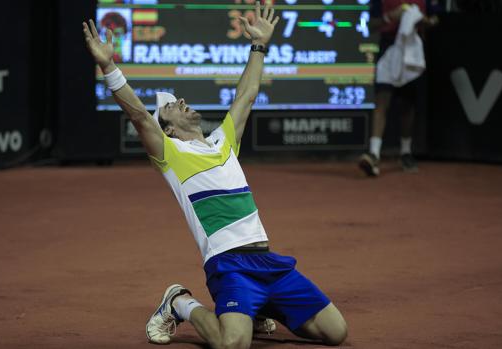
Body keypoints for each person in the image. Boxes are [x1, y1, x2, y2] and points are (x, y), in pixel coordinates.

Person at [82, 2, 347, 348]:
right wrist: (109, 65)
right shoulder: (171, 155)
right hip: (230, 266)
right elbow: (139, 117)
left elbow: (247, 95)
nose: (181, 102)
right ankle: (180, 302)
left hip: (268, 260)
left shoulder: (224, 141)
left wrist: (259, 45)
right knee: (231, 344)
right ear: (169, 131)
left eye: (177, 99)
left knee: (336, 333)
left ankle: (261, 306)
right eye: (171, 106)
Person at [358, 0, 439, 177]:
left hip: (413, 49)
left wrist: (424, 21)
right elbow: (369, 24)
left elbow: (435, 19)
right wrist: (390, 17)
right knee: (381, 100)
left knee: (407, 104)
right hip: (388, 48)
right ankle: (374, 154)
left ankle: (405, 152)